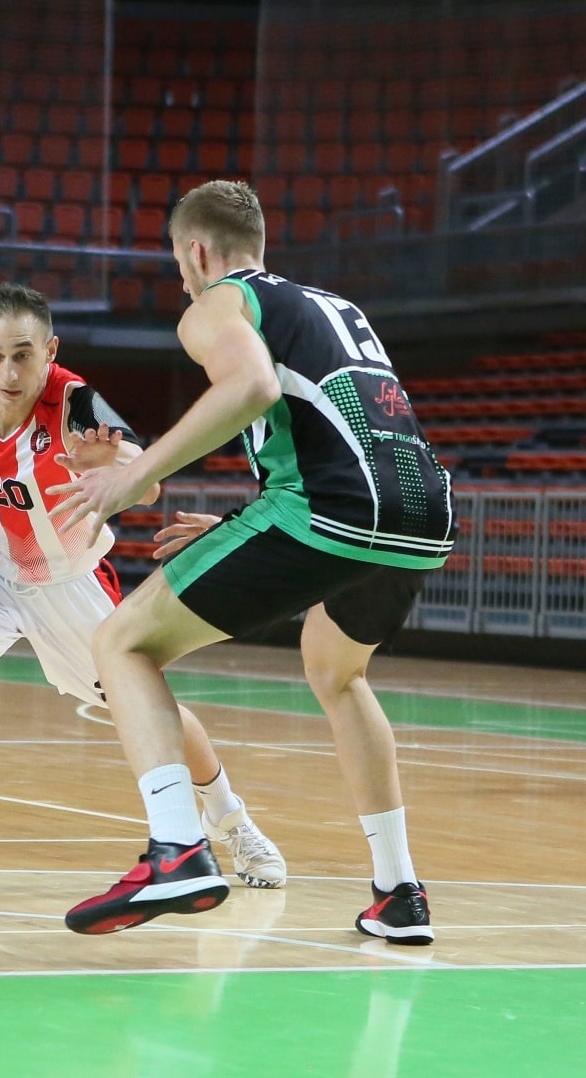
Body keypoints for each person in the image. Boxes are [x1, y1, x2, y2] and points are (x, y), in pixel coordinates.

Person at [48, 180, 454, 940]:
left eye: (179, 262)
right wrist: (248, 523)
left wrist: (131, 477)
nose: (182, 279)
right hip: (421, 510)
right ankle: (398, 889)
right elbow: (332, 424)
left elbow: (252, 385)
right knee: (337, 671)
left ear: (197, 251)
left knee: (121, 642)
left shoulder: (217, 303)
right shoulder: (336, 307)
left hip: (329, 509)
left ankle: (177, 849)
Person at [0, 283, 286, 890]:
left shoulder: (80, 405)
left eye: (23, 355)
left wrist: (107, 465)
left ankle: (232, 820)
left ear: (50, 350)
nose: (8, 371)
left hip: (66, 579)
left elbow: (148, 482)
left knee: (151, 709)